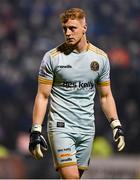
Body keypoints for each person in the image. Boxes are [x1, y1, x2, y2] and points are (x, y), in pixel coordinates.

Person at [29, 8, 125, 179]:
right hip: (61, 127)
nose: (67, 32)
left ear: (84, 28)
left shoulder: (100, 59)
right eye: (64, 28)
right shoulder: (52, 58)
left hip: (87, 128)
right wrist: (36, 129)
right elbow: (42, 96)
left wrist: (116, 124)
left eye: (72, 28)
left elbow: (105, 96)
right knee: (72, 178)